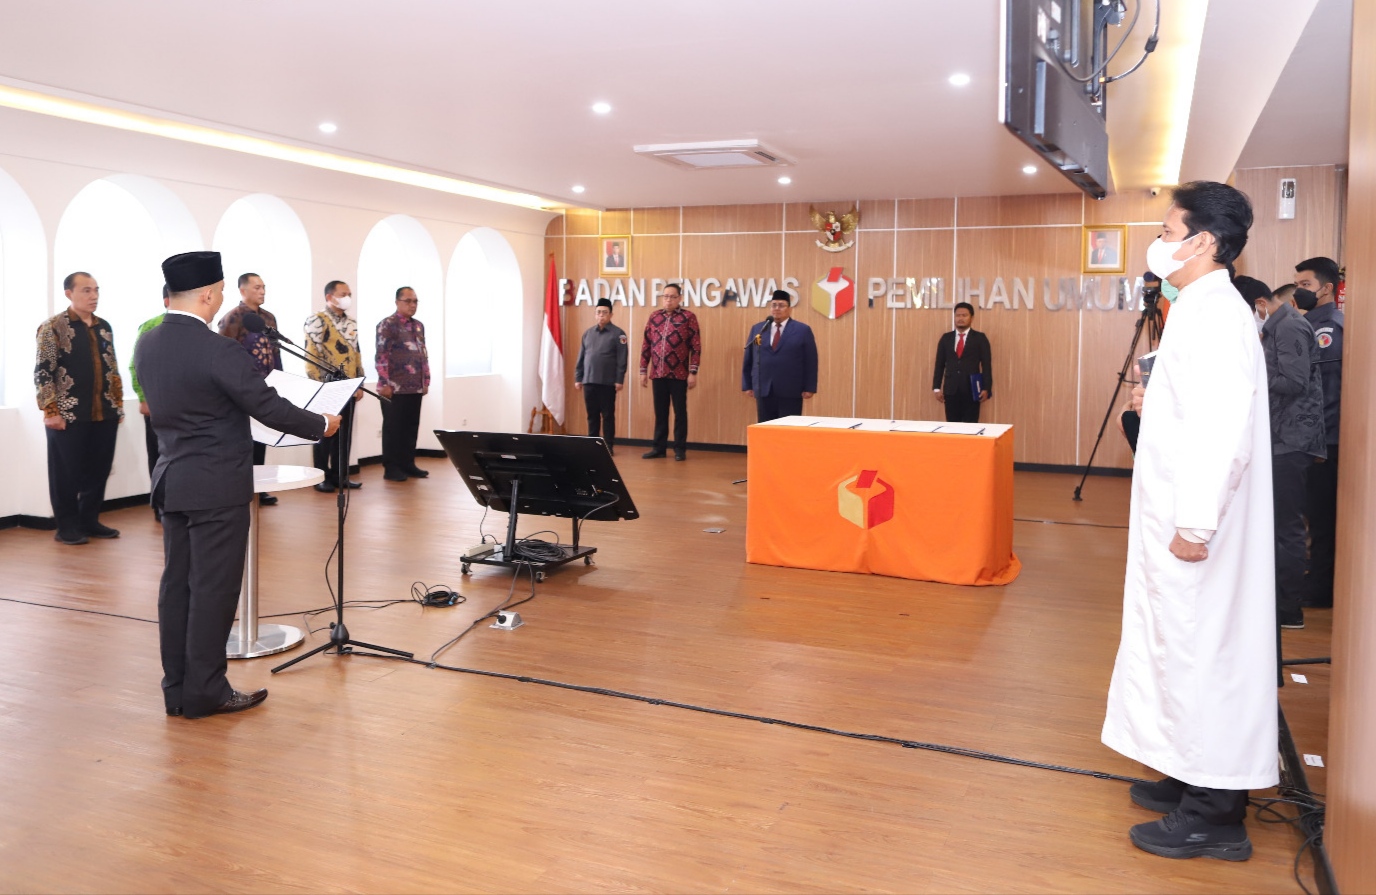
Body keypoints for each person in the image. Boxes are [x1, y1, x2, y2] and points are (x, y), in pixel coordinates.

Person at [1102, 181, 1275, 862]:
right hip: (1174, 516)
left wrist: (1196, 524)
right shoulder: (1195, 308)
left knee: (1204, 650)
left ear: (1204, 241)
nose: (1159, 242)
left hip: (1197, 526)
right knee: (1175, 644)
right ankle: (1185, 770)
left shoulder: (1218, 315)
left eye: (1168, 232)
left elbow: (1221, 431)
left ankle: (1216, 812)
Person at [135, 250, 339, 718]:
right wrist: (321, 424)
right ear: (208, 294)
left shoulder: (148, 342)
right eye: (222, 292)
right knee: (213, 590)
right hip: (216, 486)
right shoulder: (218, 350)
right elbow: (265, 405)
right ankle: (207, 692)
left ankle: (178, 690)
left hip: (172, 480)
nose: (220, 299)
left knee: (177, 588)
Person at [1255, 279, 1326, 630]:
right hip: (1280, 437)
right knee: (1278, 524)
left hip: (1290, 439)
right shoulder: (1279, 326)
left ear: (1261, 304)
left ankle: (1289, 608)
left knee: (1287, 527)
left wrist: (1252, 374)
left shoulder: (1289, 326)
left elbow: (1294, 383)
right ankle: (1277, 601)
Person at [34, 272, 123, 545]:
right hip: (67, 414)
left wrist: (117, 406)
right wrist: (51, 412)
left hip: (104, 412)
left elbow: (112, 369)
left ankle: (89, 521)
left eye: (96, 290)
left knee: (98, 470)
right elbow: (43, 372)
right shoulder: (53, 327)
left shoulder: (104, 326)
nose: (93, 296)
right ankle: (67, 527)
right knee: (66, 474)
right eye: (86, 290)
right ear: (69, 293)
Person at [1293, 256, 1343, 609]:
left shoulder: (1327, 330)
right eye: (1297, 284)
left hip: (1323, 439)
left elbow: (1324, 392)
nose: (1299, 291)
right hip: (1316, 437)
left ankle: (1320, 588)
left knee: (1320, 517)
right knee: (1313, 513)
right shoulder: (1312, 324)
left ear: (1326, 289)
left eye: (1305, 285)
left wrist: (1313, 441)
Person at [218, 272, 284, 506]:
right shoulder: (232, 318)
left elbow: (276, 351)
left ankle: (260, 486)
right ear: (242, 290)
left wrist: (281, 380)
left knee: (262, 439)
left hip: (267, 388)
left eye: (264, 287)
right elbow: (224, 358)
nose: (262, 291)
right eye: (257, 287)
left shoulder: (269, 318)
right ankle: (241, 488)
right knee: (243, 441)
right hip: (241, 390)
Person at [304, 280, 364, 491]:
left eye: (349, 294)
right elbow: (311, 355)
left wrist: (359, 382)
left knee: (344, 434)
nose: (347, 298)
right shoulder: (317, 320)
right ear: (329, 297)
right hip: (326, 388)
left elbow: (356, 354)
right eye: (343, 294)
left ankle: (341, 476)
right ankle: (320, 477)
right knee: (324, 433)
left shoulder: (351, 323)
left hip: (349, 387)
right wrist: (318, 386)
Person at [639, 283, 701, 460]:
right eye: (665, 296)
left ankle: (680, 449)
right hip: (658, 373)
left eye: (672, 297)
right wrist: (643, 370)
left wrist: (693, 372)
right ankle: (659, 448)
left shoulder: (688, 317)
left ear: (679, 298)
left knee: (680, 413)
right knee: (660, 413)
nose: (668, 300)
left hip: (679, 374)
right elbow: (646, 345)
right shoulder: (654, 317)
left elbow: (696, 347)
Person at [375, 286, 430, 481]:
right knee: (393, 429)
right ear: (397, 302)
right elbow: (381, 355)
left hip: (414, 386)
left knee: (410, 427)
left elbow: (423, 354)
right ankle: (391, 468)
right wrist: (384, 383)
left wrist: (425, 380)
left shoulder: (418, 326)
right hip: (393, 388)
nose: (412, 305)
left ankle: (408, 464)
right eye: (408, 301)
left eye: (415, 301)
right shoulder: (387, 325)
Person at [742, 290, 818, 422]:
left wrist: (809, 387)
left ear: (789, 308)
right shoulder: (759, 329)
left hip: (791, 389)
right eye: (774, 305)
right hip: (764, 388)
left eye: (781, 305)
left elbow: (811, 361)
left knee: (788, 428)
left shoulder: (802, 330)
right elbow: (749, 358)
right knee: (765, 427)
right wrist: (748, 384)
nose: (777, 308)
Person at [130, 285, 171, 520]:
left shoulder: (201, 328)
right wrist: (143, 398)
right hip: (157, 405)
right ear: (167, 301)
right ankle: (160, 505)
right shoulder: (150, 326)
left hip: (188, 407)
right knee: (158, 455)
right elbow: (134, 366)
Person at [573, 297, 628, 452]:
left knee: (608, 415)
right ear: (595, 314)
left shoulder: (619, 334)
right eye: (598, 312)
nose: (601, 315)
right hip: (589, 380)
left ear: (611, 315)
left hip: (607, 382)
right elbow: (581, 357)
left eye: (604, 312)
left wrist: (619, 379)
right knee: (592, 415)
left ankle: (608, 446)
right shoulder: (588, 333)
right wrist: (578, 377)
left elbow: (622, 358)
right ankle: (593, 445)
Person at [931, 302, 992, 423]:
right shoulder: (946, 338)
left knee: (971, 426)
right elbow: (939, 364)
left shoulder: (980, 338)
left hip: (972, 390)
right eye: (958, 315)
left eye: (964, 315)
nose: (960, 318)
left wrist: (987, 388)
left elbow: (986, 365)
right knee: (952, 426)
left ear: (971, 318)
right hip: (951, 390)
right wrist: (936, 388)